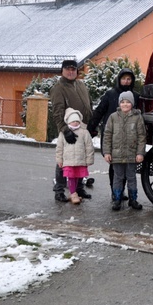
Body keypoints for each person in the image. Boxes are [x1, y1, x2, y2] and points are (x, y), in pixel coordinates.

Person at [87, 68, 141, 201]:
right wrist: (91, 128)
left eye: (129, 79)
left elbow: (140, 115)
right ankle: (115, 191)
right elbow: (100, 111)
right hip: (112, 136)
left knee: (127, 166)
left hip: (129, 138)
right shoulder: (110, 94)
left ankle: (122, 191)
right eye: (124, 78)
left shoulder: (136, 96)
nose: (126, 81)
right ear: (119, 79)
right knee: (115, 166)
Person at [50, 59, 94, 202]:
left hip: (83, 128)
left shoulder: (80, 84)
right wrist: (64, 130)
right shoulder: (59, 87)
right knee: (64, 160)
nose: (71, 72)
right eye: (68, 69)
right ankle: (59, 190)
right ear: (62, 71)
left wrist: (91, 125)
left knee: (80, 159)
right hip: (69, 128)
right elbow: (57, 112)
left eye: (73, 69)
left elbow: (89, 104)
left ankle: (79, 188)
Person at [103, 91, 147, 211]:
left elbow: (141, 136)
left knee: (131, 177)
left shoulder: (137, 117)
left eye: (128, 102)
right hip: (116, 155)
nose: (125, 104)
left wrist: (140, 153)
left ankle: (133, 199)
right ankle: (117, 199)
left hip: (132, 155)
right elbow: (107, 135)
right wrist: (107, 152)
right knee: (118, 177)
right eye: (123, 102)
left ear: (132, 103)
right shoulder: (113, 117)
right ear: (119, 103)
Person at [55, 108, 95, 205]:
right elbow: (59, 148)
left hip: (80, 160)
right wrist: (59, 160)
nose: (76, 123)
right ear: (69, 122)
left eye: (77, 121)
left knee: (77, 176)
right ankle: (73, 194)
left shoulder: (84, 132)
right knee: (71, 177)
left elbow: (89, 146)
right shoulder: (63, 134)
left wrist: (89, 159)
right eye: (73, 121)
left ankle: (74, 193)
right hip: (68, 161)